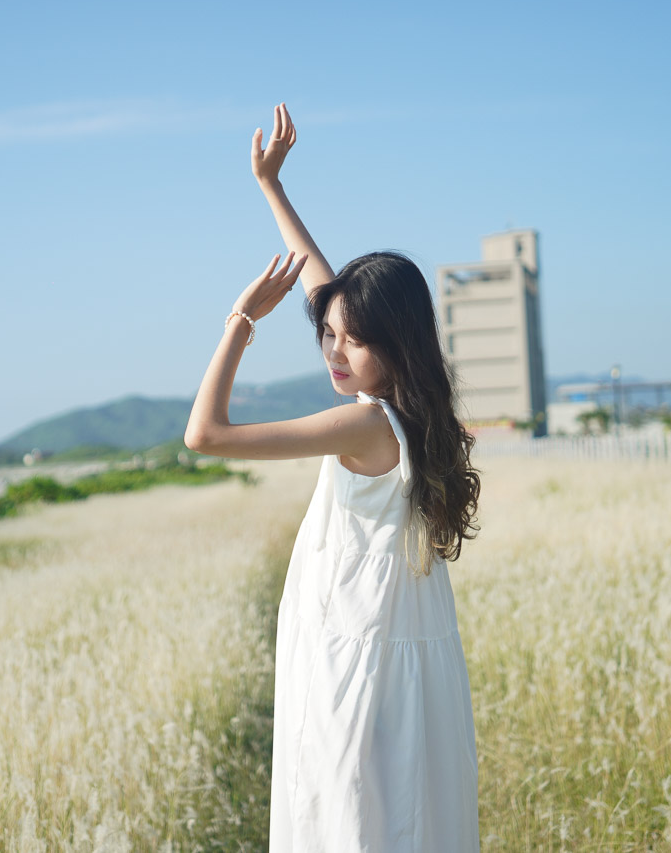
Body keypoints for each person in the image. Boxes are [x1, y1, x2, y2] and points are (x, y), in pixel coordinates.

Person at [185, 103, 482, 852]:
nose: (334, 349)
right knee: (406, 816)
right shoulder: (416, 413)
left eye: (355, 339)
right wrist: (271, 188)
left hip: (354, 657)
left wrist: (240, 321)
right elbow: (328, 285)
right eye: (329, 334)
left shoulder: (365, 422)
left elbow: (206, 434)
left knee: (348, 820)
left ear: (397, 342)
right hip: (392, 650)